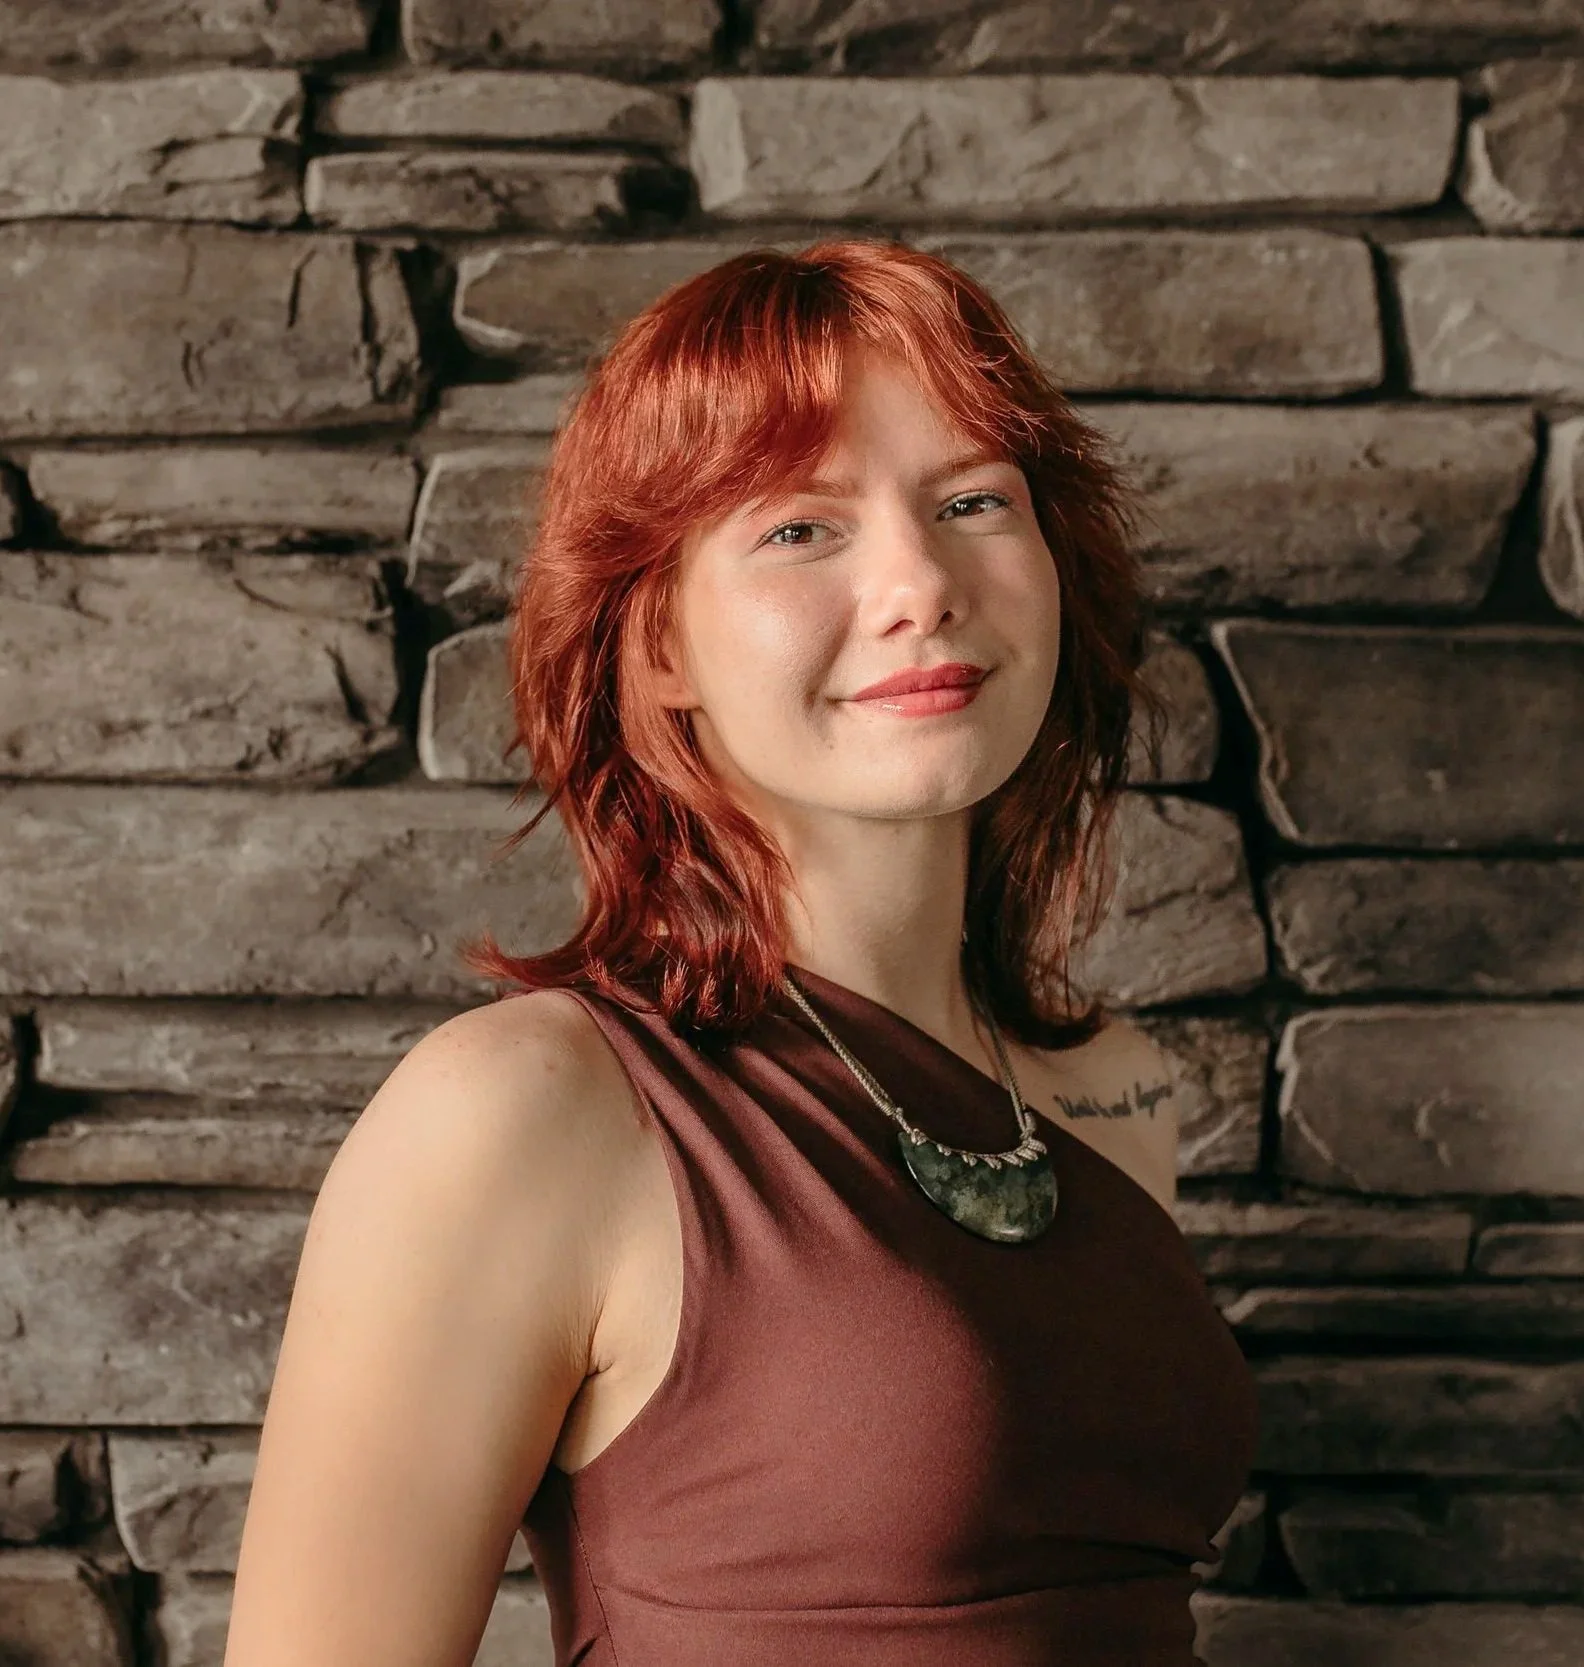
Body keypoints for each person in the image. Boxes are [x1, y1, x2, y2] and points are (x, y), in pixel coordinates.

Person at [223, 239, 1259, 1667]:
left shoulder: (1112, 1089)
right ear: (656, 644)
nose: (920, 582)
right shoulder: (522, 1110)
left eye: (971, 501)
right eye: (798, 528)